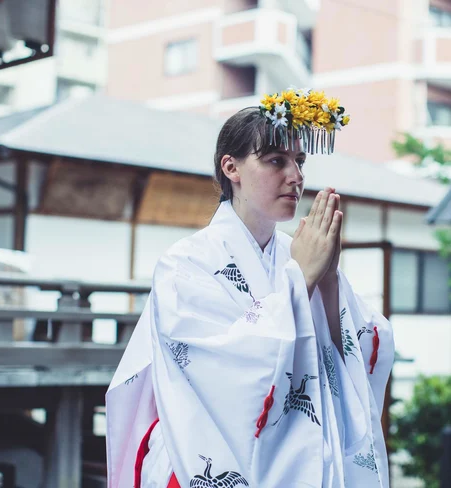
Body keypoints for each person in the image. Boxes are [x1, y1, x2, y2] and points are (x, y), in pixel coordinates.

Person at [106, 88, 394, 488]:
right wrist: (302, 280)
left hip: (302, 456)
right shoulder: (185, 264)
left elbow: (363, 342)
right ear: (231, 167)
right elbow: (218, 369)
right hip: (208, 455)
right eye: (276, 160)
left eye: (299, 161)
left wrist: (327, 280)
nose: (295, 176)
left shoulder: (297, 255)